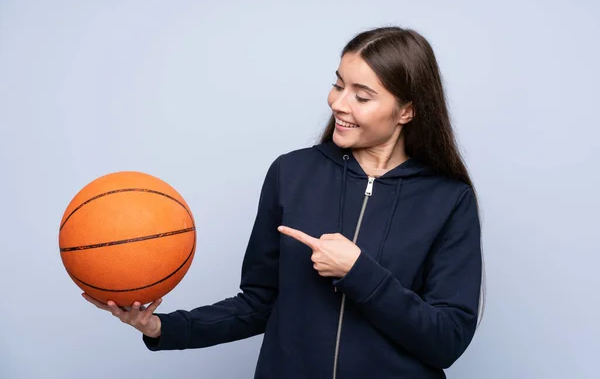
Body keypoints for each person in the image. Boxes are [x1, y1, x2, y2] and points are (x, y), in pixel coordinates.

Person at [84, 25, 485, 378]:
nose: (339, 103)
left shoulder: (449, 199)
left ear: (407, 111)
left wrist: (359, 272)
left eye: (362, 96)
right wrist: (161, 327)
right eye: (338, 84)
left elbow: (446, 341)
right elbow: (259, 303)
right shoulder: (292, 173)